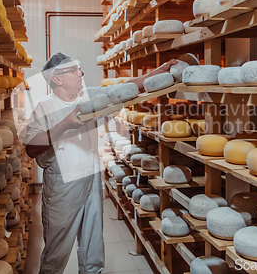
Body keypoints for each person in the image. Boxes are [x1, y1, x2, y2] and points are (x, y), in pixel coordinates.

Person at [24, 52, 177, 274]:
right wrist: (64, 124)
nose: (81, 74)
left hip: (91, 181)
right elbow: (31, 148)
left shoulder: (89, 96)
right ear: (57, 79)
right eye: (74, 70)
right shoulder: (44, 107)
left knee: (93, 248)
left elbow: (121, 89)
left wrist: (158, 71)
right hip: (62, 188)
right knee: (56, 253)